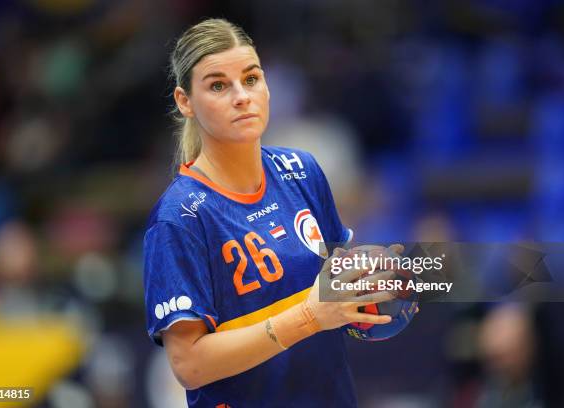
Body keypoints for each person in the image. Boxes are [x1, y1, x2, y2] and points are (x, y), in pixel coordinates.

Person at [143, 18, 401, 407]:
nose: (242, 96)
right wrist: (308, 317)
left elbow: (336, 292)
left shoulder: (302, 170)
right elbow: (189, 364)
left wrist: (375, 281)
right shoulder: (180, 217)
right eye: (218, 85)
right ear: (185, 102)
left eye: (251, 79)